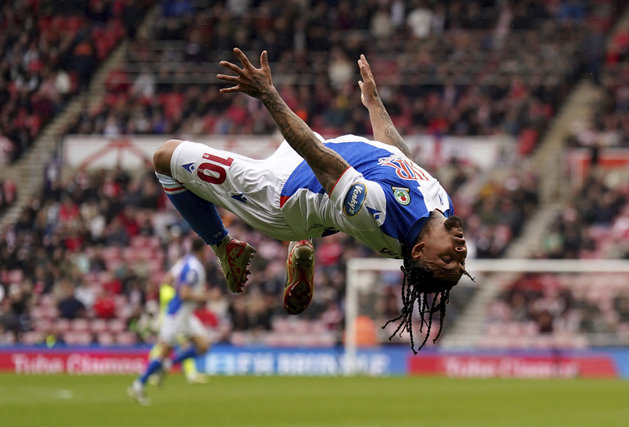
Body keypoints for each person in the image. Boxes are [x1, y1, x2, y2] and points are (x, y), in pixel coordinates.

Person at [152, 48, 471, 354]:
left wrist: (267, 94)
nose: (459, 254)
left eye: (447, 262)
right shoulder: (442, 207)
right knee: (331, 204)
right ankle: (304, 239)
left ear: (419, 250)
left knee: (165, 158)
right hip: (315, 166)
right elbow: (402, 158)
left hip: (279, 195)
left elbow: (320, 160)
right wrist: (374, 104)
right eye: (460, 262)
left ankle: (225, 248)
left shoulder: (379, 212)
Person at [128, 238, 213, 405]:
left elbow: (167, 279)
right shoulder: (193, 268)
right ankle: (138, 385)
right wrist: (206, 296)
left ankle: (167, 365)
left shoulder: (184, 262)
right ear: (202, 250)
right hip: (177, 314)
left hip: (187, 315)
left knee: (203, 345)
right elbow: (184, 294)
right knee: (163, 351)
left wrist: (179, 287)